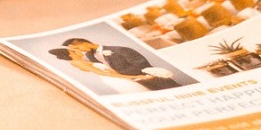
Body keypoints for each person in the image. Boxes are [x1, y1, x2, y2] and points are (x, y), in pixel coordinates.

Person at [49, 37, 183, 91]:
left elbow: (141, 64)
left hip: (151, 79)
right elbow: (102, 71)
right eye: (74, 50)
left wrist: (134, 76)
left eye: (78, 48)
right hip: (127, 81)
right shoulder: (88, 57)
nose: (79, 51)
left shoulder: (120, 50)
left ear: (85, 43)